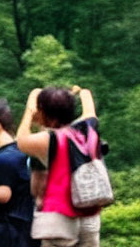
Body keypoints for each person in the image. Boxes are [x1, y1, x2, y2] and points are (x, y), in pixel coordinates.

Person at [17, 86, 102, 247]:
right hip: (89, 214)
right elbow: (89, 107)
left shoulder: (49, 140)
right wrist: (81, 92)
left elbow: (21, 140)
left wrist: (30, 109)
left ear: (45, 114)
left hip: (61, 217)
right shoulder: (88, 131)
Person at [0, 98, 38, 247]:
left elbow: (3, 194)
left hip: (6, 233)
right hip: (28, 231)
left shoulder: (3, 158)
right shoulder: (23, 152)